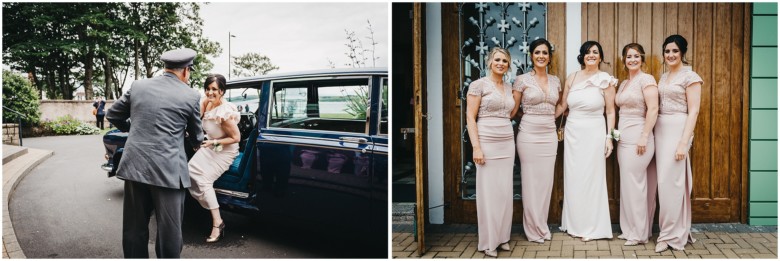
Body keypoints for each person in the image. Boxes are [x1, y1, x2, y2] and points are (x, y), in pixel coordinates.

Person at [106, 48, 203, 258]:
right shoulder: (191, 95)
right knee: (170, 231)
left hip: (135, 165)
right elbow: (197, 137)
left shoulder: (139, 85)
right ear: (186, 71)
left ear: (165, 67)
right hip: (168, 171)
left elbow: (113, 113)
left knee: (134, 227)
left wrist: (133, 127)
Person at [556, 41, 616, 242]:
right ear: (582, 56)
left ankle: (593, 227)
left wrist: (610, 138)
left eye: (595, 52)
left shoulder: (605, 79)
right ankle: (574, 223)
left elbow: (610, 111)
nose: (591, 55)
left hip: (595, 133)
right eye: (587, 52)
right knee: (574, 178)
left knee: (592, 178)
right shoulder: (572, 77)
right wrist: (542, 118)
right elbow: (563, 105)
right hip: (573, 133)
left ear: (600, 57)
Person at [653, 34, 702, 253]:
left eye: (674, 51)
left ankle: (669, 235)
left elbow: (694, 111)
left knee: (671, 184)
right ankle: (673, 229)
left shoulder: (690, 76)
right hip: (661, 131)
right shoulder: (663, 77)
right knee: (665, 184)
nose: (670, 55)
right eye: (667, 51)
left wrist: (684, 143)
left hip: (677, 131)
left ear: (682, 52)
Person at [466, 47, 515, 257]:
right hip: (487, 141)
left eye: (505, 60)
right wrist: (476, 146)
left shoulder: (508, 86)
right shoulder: (478, 85)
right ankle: (488, 242)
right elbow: (470, 117)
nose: (501, 63)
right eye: (497, 59)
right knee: (488, 193)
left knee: (504, 191)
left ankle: (502, 236)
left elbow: (511, 112)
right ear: (489, 62)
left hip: (507, 141)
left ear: (508, 65)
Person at [511, 38, 560, 244]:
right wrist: (529, 117)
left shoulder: (556, 80)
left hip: (549, 135)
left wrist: (551, 117)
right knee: (531, 183)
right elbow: (513, 110)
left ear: (549, 57)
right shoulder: (521, 80)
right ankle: (533, 230)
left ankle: (542, 225)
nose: (541, 56)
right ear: (531, 55)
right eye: (537, 52)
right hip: (529, 135)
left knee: (546, 183)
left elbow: (560, 105)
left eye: (545, 53)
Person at [188, 74, 241, 243]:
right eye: (208, 89)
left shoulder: (224, 114)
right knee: (189, 170)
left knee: (203, 180)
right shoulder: (206, 102)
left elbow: (236, 138)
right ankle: (204, 204)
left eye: (214, 90)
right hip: (212, 145)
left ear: (222, 91)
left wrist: (213, 142)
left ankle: (218, 222)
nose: (210, 93)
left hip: (225, 149)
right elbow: (197, 122)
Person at [615, 43, 659, 246]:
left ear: (642, 59)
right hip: (623, 139)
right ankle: (630, 229)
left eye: (636, 56)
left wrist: (644, 136)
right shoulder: (623, 83)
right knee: (628, 185)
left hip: (639, 138)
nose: (632, 59)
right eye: (628, 56)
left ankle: (640, 233)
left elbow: (653, 109)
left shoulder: (647, 79)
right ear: (624, 60)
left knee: (636, 186)